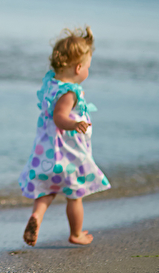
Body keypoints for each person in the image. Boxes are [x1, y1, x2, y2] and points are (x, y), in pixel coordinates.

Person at [18, 26, 110, 247]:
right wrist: (74, 123)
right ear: (79, 68)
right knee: (75, 194)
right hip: (67, 153)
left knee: (47, 190)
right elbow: (60, 117)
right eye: (88, 67)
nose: (88, 70)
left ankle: (37, 216)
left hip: (46, 151)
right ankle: (76, 233)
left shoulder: (51, 83)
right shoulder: (70, 92)